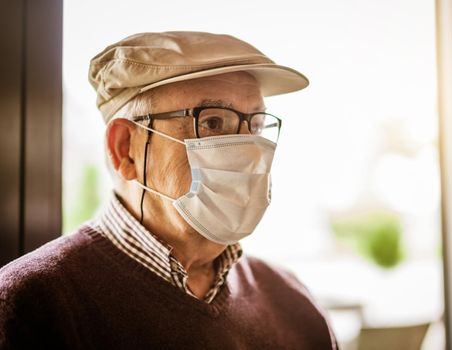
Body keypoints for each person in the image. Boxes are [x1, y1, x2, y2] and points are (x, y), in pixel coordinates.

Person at [0, 31, 338, 349]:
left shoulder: (291, 301)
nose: (248, 147)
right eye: (213, 122)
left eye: (258, 124)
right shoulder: (32, 306)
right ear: (126, 148)